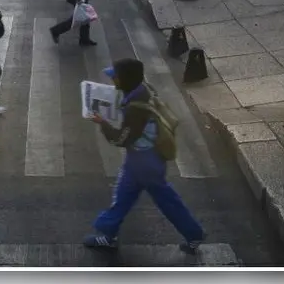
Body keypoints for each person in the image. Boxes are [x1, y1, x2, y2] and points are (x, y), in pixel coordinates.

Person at [84, 58, 205, 253]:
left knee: (166, 200)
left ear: (125, 80)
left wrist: (103, 123)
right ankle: (107, 234)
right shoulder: (143, 89)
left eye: (115, 78)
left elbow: (122, 139)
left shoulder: (135, 110)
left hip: (145, 163)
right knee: (123, 197)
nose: (113, 81)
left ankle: (194, 235)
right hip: (142, 159)